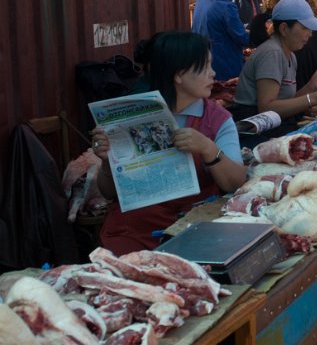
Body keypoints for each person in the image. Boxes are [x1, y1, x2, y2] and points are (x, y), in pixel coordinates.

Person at [91, 32, 246, 255]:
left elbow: (235, 183)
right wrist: (107, 162)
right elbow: (108, 192)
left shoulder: (217, 118)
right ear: (180, 75)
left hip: (193, 231)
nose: (214, 74)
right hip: (133, 233)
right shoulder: (130, 116)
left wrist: (208, 149)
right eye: (205, 67)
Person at [232, 0, 317, 122]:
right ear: (284, 29)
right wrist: (314, 98)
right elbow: (266, 108)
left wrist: (312, 85)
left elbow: (286, 102)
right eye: (305, 28)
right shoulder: (272, 53)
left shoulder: (290, 55)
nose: (310, 34)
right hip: (254, 131)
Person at [191, 0, 249, 81]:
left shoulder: (201, 1)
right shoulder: (226, 6)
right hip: (224, 67)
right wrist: (260, 34)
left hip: (202, 65)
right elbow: (242, 37)